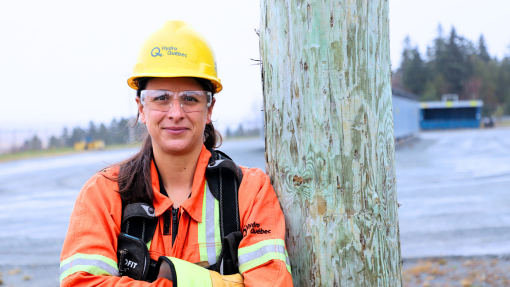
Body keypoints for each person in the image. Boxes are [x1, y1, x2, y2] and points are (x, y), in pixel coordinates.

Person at [59, 20, 293, 287]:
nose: (176, 112)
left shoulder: (249, 192)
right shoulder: (103, 194)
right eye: (161, 98)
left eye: (190, 98)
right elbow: (81, 283)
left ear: (210, 108)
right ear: (141, 107)